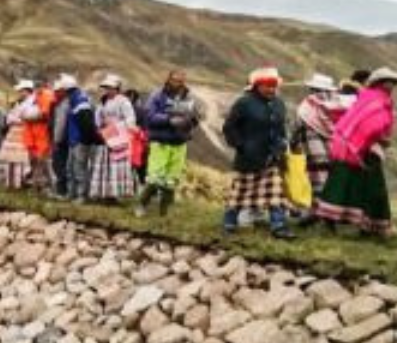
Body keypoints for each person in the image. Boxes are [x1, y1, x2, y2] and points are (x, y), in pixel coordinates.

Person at [314, 67, 397, 236]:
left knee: (344, 184)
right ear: (378, 83)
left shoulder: (371, 98)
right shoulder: (376, 100)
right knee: (369, 188)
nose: (391, 86)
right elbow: (372, 126)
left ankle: (359, 224)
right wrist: (380, 139)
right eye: (387, 82)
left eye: (393, 83)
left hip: (351, 147)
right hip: (361, 149)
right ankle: (371, 225)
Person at [220, 67, 295, 239]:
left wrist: (282, 145)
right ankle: (229, 224)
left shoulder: (279, 103)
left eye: (274, 86)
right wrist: (241, 146)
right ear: (256, 86)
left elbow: (280, 128)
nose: (271, 89)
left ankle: (279, 226)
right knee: (240, 193)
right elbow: (229, 128)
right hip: (248, 158)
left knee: (276, 192)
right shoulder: (244, 103)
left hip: (272, 157)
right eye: (267, 85)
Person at [138, 70, 202, 217]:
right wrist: (169, 119)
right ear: (168, 79)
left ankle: (163, 213)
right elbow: (149, 117)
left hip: (179, 143)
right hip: (160, 141)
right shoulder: (157, 95)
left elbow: (195, 117)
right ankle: (141, 205)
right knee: (155, 178)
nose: (178, 83)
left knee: (171, 181)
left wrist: (191, 121)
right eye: (175, 80)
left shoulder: (188, 97)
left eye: (181, 80)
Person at [292, 73, 348, 200]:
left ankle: (316, 203)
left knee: (313, 175)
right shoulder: (338, 104)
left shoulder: (308, 104)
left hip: (310, 146)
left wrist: (293, 143)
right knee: (330, 174)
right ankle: (328, 204)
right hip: (333, 146)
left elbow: (298, 125)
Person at [91, 74, 138, 201]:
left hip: (118, 138)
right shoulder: (103, 101)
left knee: (116, 164)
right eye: (106, 87)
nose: (107, 90)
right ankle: (104, 192)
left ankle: (115, 194)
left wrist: (117, 126)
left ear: (117, 88)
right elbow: (98, 117)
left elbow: (130, 119)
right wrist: (100, 126)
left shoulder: (124, 101)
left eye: (110, 87)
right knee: (105, 164)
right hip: (106, 135)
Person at [60, 74, 101, 203]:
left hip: (80, 141)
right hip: (73, 140)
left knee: (79, 169)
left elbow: (87, 124)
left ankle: (82, 195)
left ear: (67, 90)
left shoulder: (81, 102)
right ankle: (71, 193)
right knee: (70, 168)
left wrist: (86, 140)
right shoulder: (74, 100)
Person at [1, 80, 38, 189]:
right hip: (14, 134)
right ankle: (10, 182)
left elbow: (26, 118)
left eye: (21, 91)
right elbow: (9, 118)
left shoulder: (32, 102)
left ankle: (18, 182)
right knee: (10, 158)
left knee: (19, 159)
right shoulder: (19, 103)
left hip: (24, 133)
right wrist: (15, 119)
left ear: (26, 90)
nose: (19, 93)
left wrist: (15, 119)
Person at [50, 78, 72, 199]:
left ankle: (63, 191)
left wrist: (56, 140)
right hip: (61, 139)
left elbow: (61, 124)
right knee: (57, 165)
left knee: (60, 165)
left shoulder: (64, 104)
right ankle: (61, 190)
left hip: (62, 140)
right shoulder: (58, 104)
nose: (56, 93)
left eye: (58, 91)